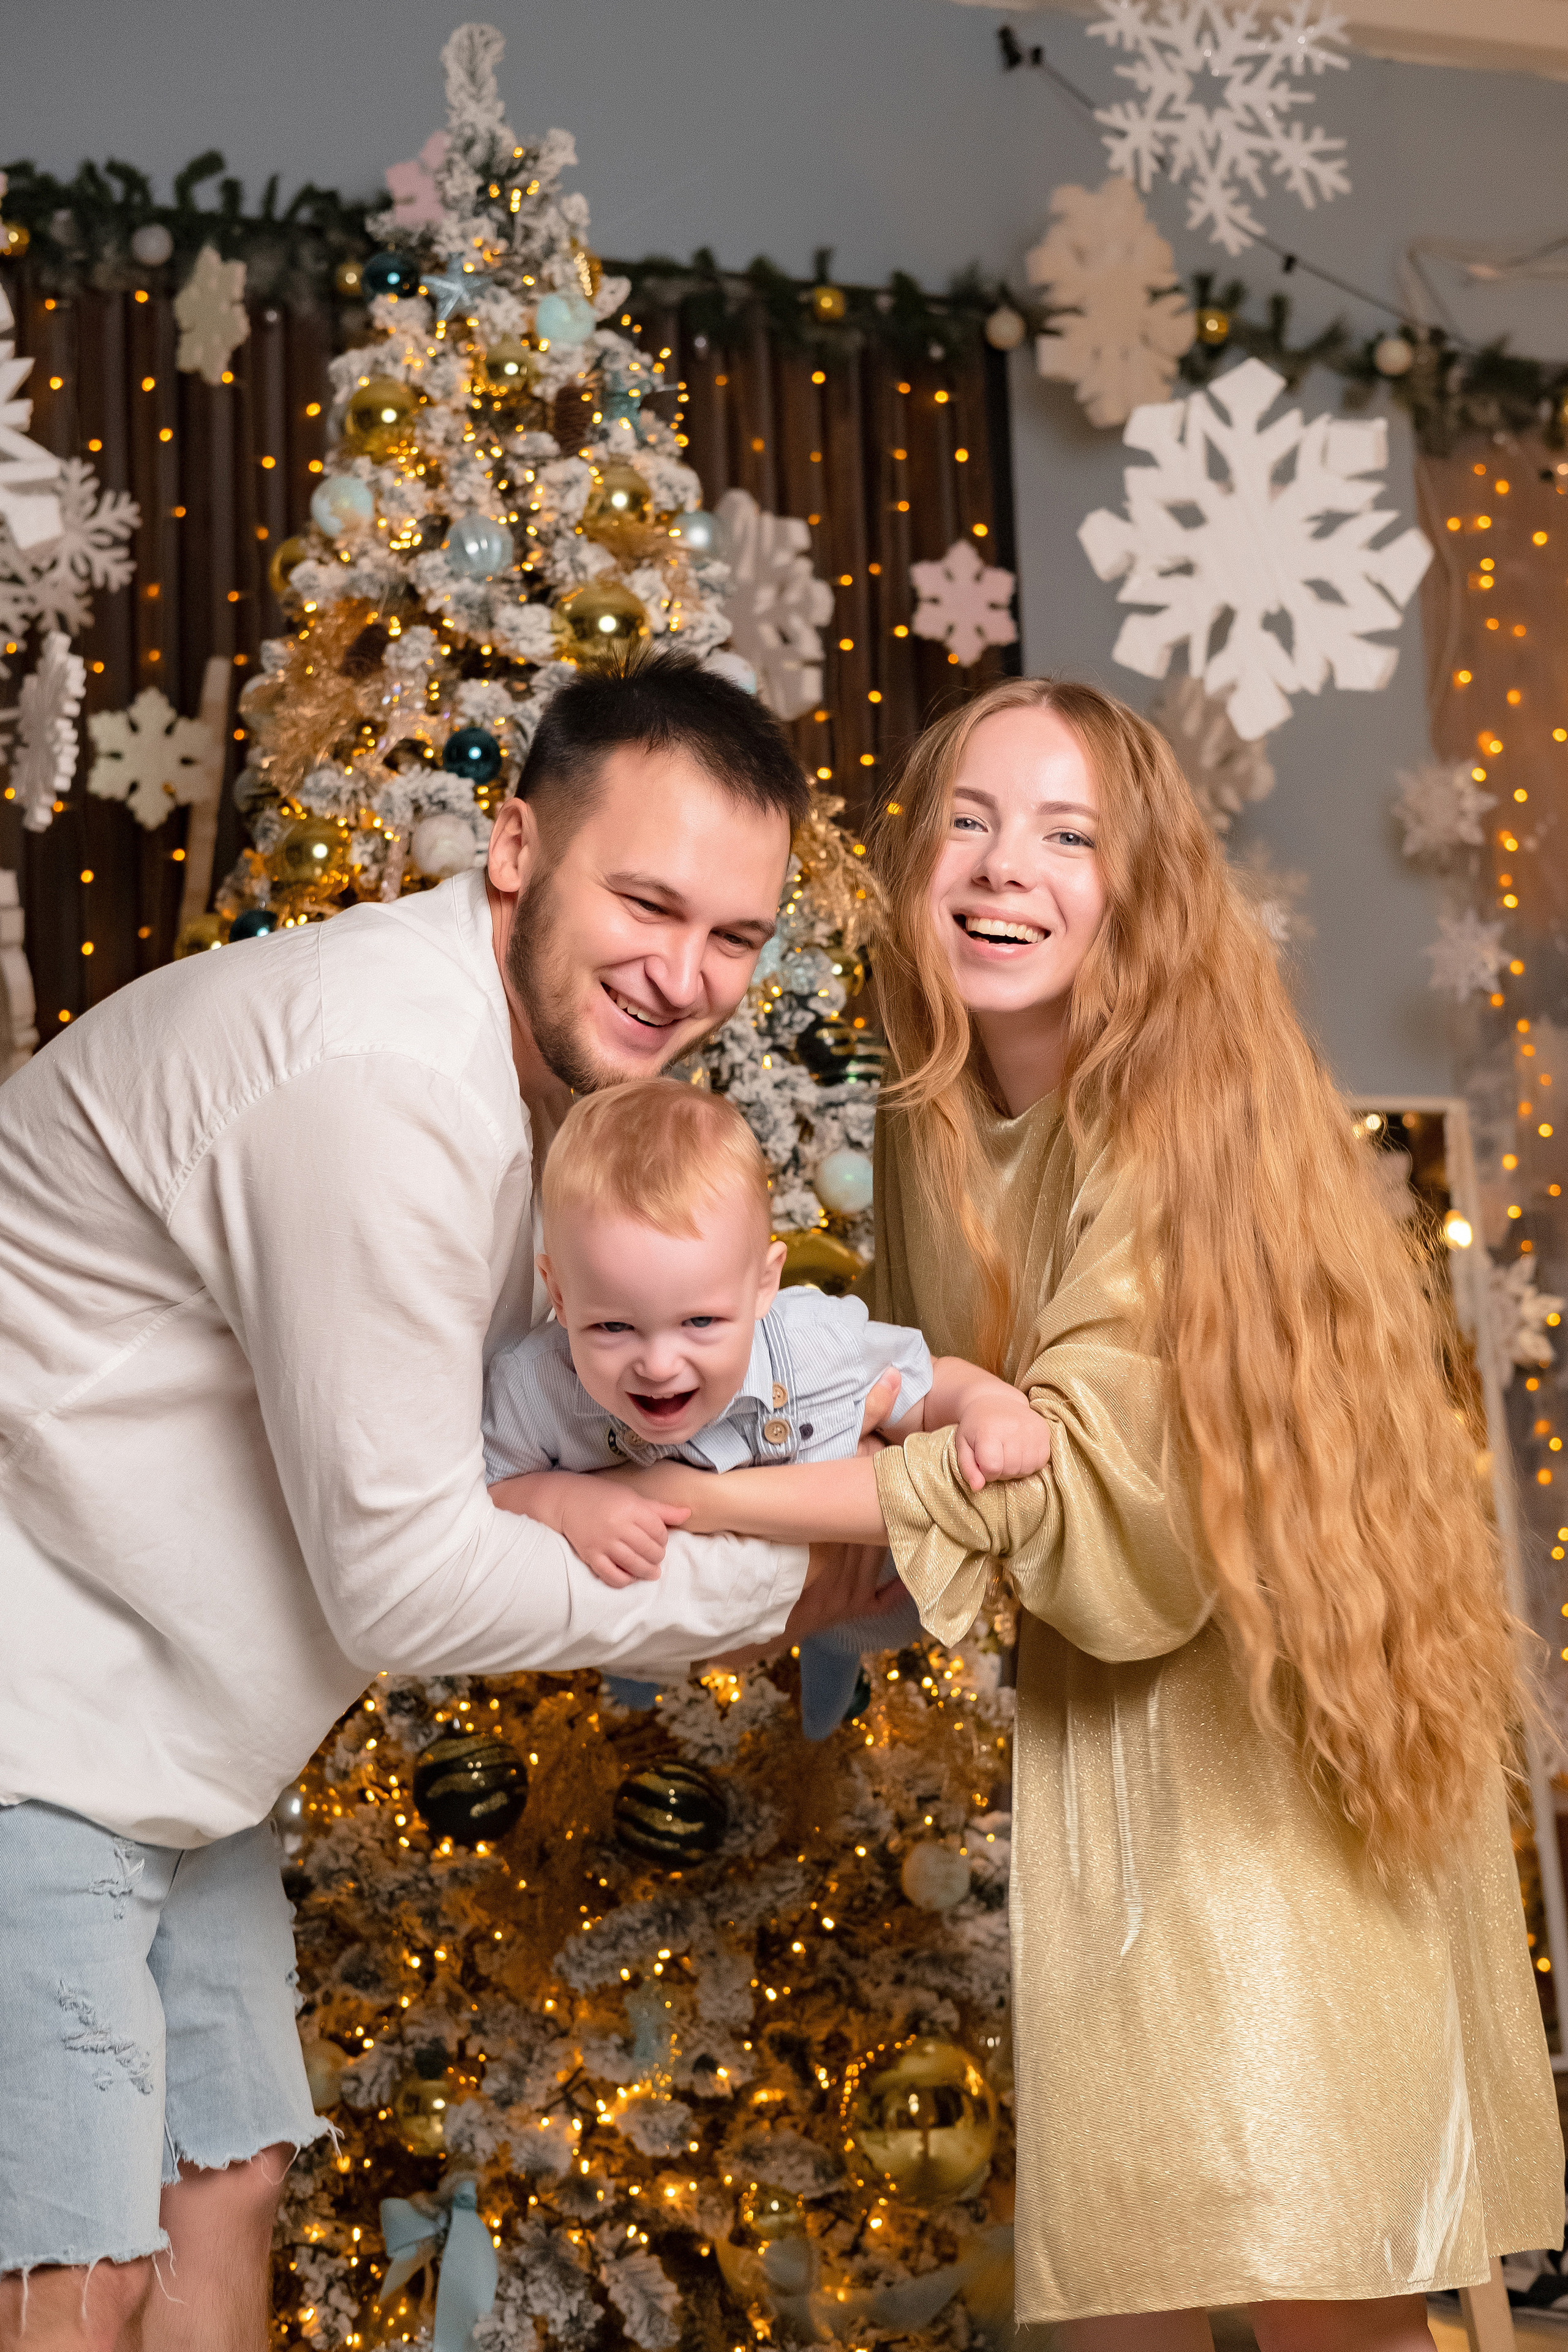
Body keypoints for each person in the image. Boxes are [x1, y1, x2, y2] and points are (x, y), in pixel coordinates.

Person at [624, 676, 1564, 2351]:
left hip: (1269, 1755)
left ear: (1139, 887)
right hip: (1123, 1760)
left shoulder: (1168, 1114)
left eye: (1071, 835)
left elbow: (1049, 1479)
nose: (1007, 870)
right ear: (913, 863)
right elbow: (933, 1443)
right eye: (969, 824)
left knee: (1303, 2259)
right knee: (1123, 2273)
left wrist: (677, 1493)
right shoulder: (939, 1119)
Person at [0, 658, 894, 2352]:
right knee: (70, 2267)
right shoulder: (390, 1082)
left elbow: (539, 1433)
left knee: (225, 2193)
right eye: (644, 901)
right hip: (34, 1715)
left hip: (170, 1723)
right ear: (513, 847)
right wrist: (789, 1585)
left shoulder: (552, 1104)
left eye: (734, 937)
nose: (682, 976)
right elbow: (405, 1586)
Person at [482, 1076, 1049, 1732]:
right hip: (662, 1609)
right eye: (612, 1328)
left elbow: (919, 1389)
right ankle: (634, 1687)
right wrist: (564, 1502)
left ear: (763, 1284)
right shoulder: (536, 1386)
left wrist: (988, 1405)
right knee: (628, 1672)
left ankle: (831, 1658)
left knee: (877, 1605)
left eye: (700, 1323)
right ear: (557, 1289)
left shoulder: (808, 1344)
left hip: (832, 1555)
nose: (659, 1366)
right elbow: (488, 1491)